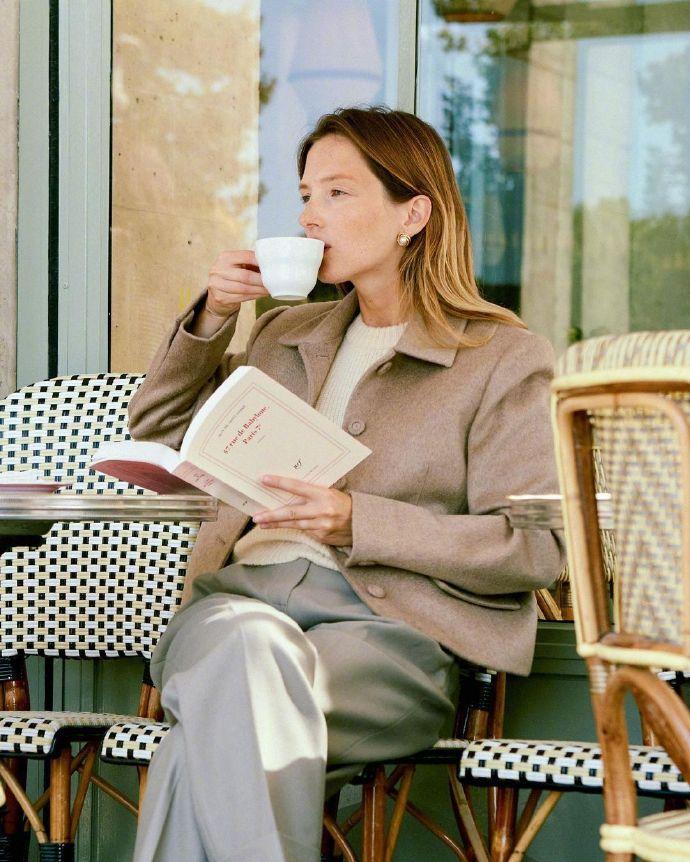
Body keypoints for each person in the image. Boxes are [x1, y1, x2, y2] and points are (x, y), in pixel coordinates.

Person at [129, 106, 565, 862]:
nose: (308, 215)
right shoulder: (282, 335)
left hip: (386, 640)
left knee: (204, 740)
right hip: (236, 607)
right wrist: (214, 315)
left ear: (412, 216)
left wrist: (357, 521)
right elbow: (158, 430)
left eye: (336, 193)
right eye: (305, 195)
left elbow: (534, 549)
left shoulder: (502, 358)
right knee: (246, 653)